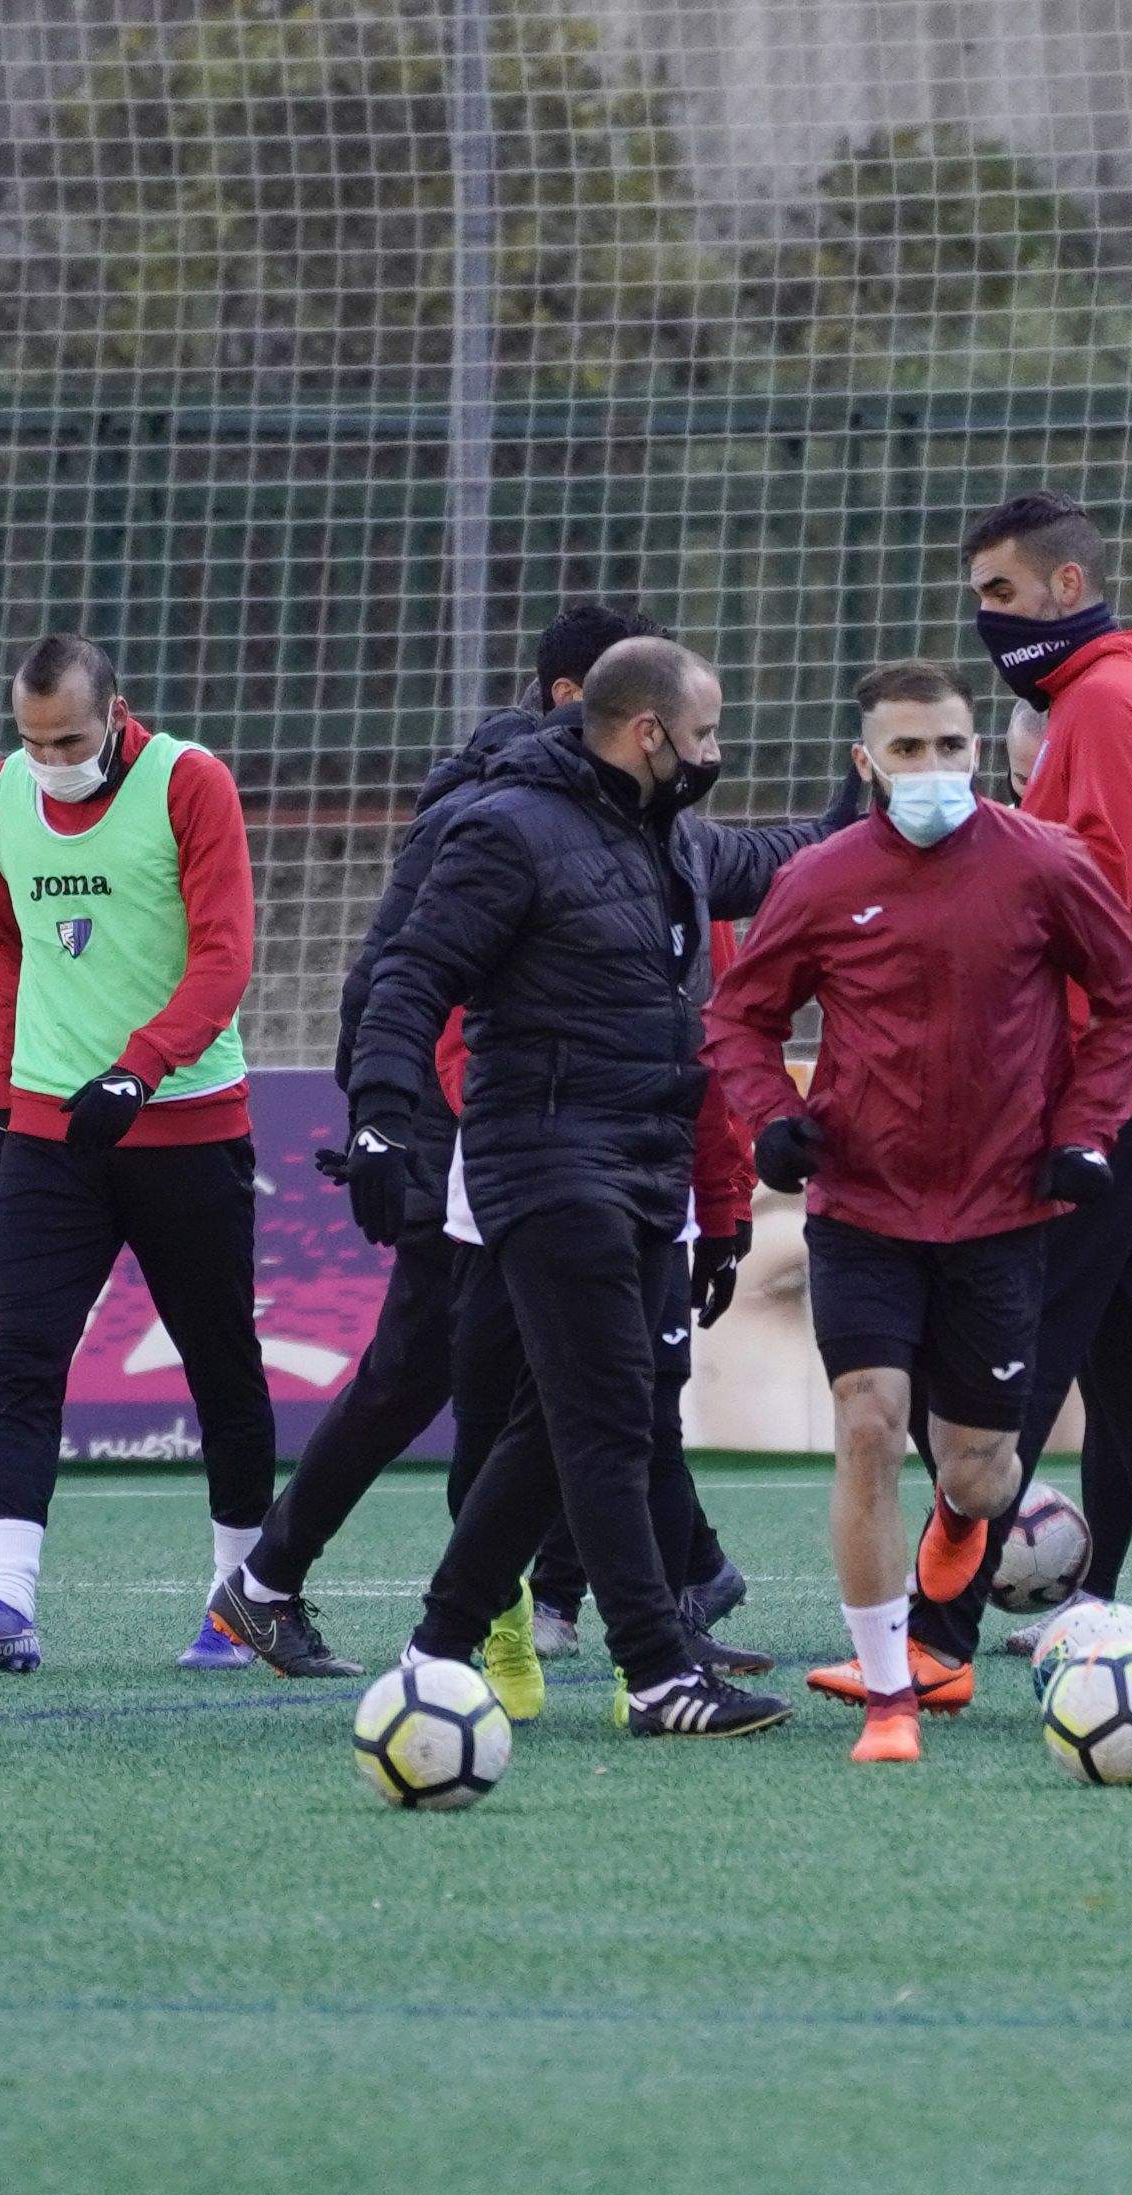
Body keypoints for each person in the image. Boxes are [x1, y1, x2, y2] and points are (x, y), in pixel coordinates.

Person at [321, 638, 794, 1739]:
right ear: (648, 735)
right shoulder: (508, 830)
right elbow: (409, 971)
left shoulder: (661, 834)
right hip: (544, 1159)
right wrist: (382, 1113)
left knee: (553, 1423)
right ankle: (660, 1668)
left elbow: (775, 855)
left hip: (638, 1163)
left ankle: (436, 1647)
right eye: (707, 734)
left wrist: (867, 811)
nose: (714, 754)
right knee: (605, 1415)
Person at [831, 493, 1132, 1716]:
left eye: (1001, 593)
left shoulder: (1106, 708)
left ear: (1068, 588)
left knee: (1004, 1367)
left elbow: (1083, 900)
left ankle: (940, 1640)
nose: (985, 616)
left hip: (1104, 1086)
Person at [714, 660, 1132, 1765]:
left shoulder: (1043, 862)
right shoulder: (820, 879)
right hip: (861, 1205)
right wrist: (772, 1115)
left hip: (1004, 1212)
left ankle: (964, 1526)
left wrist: (1085, 1130)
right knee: (868, 1422)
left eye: (950, 748)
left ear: (979, 754)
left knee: (976, 1469)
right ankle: (887, 1695)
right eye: (907, 750)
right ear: (866, 762)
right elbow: (738, 1017)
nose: (932, 769)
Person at [0, 637, 270, 1676]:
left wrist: (140, 1068)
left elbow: (225, 953)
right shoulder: (1, 794)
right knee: (22, 1360)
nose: (50, 758)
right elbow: (8, 947)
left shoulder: (189, 782)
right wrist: (3, 1104)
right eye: (31, 741)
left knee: (221, 1367)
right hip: (50, 1136)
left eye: (68, 737)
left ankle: (238, 1601)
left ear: (116, 711)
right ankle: (8, 1603)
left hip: (188, 1126)